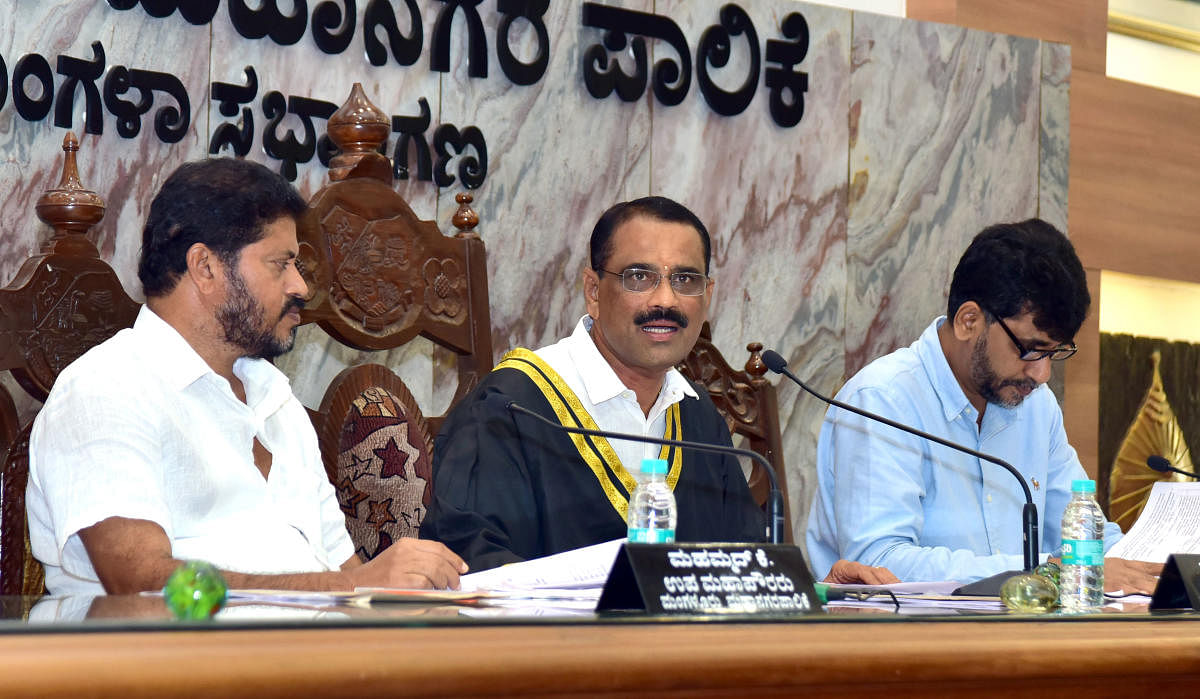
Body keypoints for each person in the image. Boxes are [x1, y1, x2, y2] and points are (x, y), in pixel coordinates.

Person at [26, 158, 466, 597]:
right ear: (205, 267)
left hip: (312, 658)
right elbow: (139, 582)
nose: (301, 287)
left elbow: (341, 569)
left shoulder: (274, 397)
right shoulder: (106, 388)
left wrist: (392, 594)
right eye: (281, 264)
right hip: (174, 661)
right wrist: (350, 586)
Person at [421, 196, 896, 587]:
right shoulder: (512, 406)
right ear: (592, 289)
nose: (665, 300)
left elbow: (742, 571)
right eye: (639, 277)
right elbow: (472, 573)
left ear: (707, 294)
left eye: (685, 280)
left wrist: (816, 593)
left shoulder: (698, 417)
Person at [806, 219, 1161, 593]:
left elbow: (1088, 537)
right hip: (899, 641)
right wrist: (1049, 572)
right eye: (1030, 349)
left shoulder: (1036, 408)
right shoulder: (882, 400)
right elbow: (880, 561)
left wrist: (1161, 569)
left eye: (1054, 353)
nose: (1041, 374)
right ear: (969, 321)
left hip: (1021, 639)